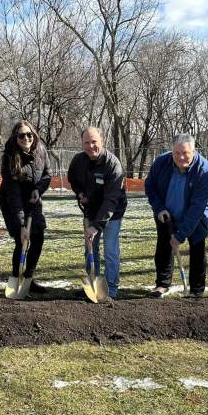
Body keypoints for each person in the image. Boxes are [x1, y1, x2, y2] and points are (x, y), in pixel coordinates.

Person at [144, 134, 208, 298]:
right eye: (177, 153)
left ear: (193, 151)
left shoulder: (204, 171)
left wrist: (180, 235)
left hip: (197, 215)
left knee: (197, 246)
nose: (181, 157)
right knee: (164, 246)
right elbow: (150, 185)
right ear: (172, 151)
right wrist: (159, 208)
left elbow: (197, 208)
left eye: (185, 153)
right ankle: (162, 284)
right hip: (167, 212)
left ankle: (196, 290)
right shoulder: (162, 162)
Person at [67, 126, 127, 302]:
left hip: (112, 211)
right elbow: (73, 179)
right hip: (91, 209)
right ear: (82, 143)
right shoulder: (78, 161)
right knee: (90, 248)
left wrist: (96, 226)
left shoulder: (112, 164)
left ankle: (111, 289)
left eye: (94, 142)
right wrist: (80, 193)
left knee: (110, 250)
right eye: (87, 142)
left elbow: (111, 199)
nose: (91, 146)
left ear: (102, 141)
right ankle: (93, 285)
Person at [0, 120, 52, 294]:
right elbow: (12, 193)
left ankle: (28, 278)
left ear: (34, 135)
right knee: (22, 240)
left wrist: (38, 190)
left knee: (38, 238)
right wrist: (21, 224)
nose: (26, 138)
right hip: (12, 203)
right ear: (16, 137)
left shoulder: (40, 150)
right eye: (21, 135)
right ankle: (16, 277)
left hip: (33, 199)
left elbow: (47, 174)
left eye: (29, 134)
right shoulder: (9, 157)